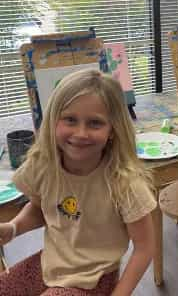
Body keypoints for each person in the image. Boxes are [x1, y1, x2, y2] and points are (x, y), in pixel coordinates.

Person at [0, 69, 157, 295]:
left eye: (95, 123)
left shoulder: (125, 183)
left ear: (112, 130)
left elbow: (144, 247)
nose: (81, 133)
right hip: (50, 264)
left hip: (94, 280)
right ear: (54, 120)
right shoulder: (43, 165)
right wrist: (13, 228)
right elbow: (39, 209)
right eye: (70, 120)